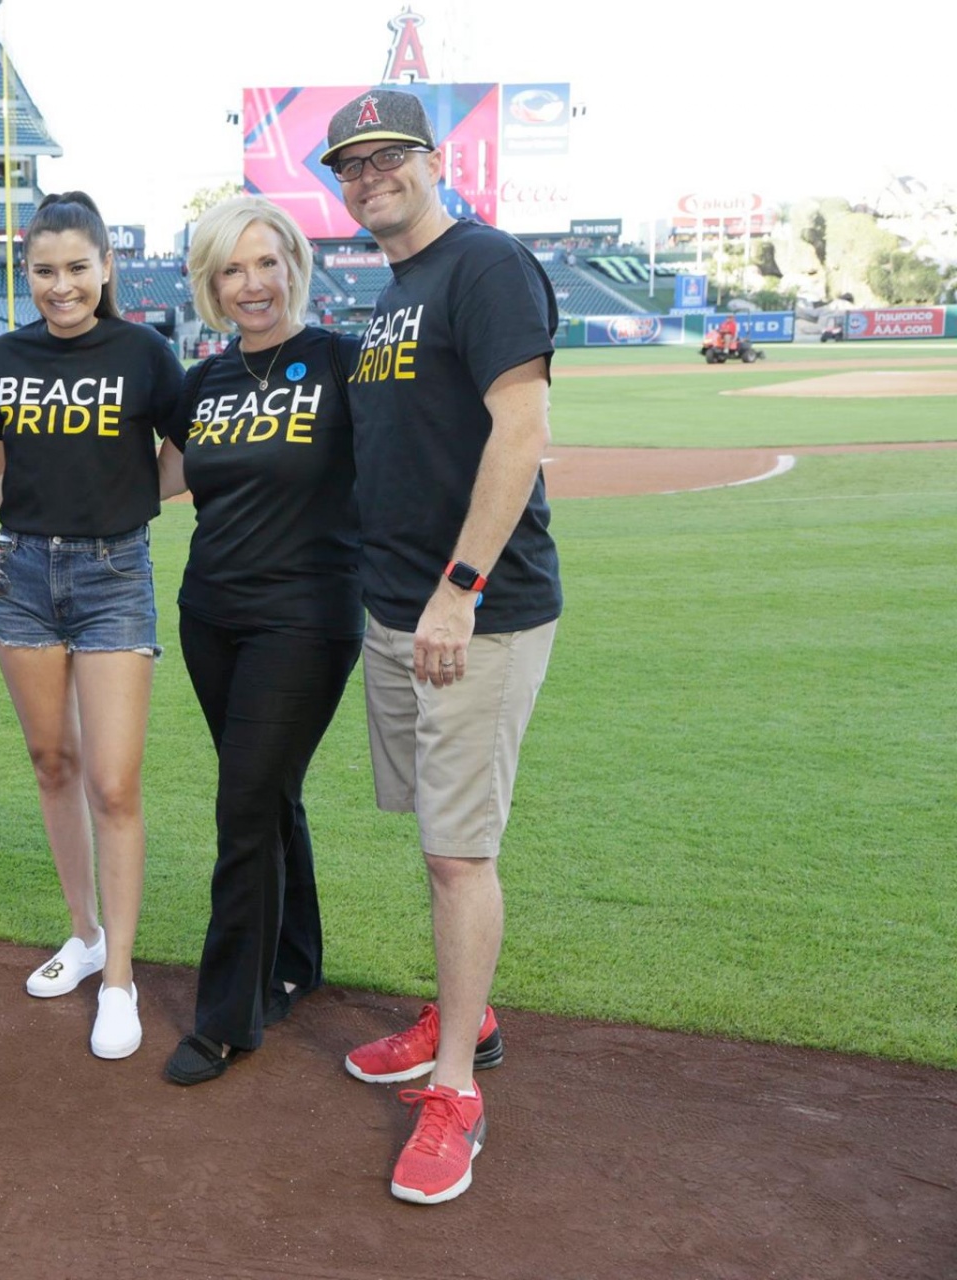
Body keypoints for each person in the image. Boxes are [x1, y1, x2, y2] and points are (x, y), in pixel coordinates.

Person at [324, 89, 562, 1205]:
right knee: (435, 839)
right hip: (395, 607)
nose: (368, 178)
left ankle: (457, 1088)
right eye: (350, 166)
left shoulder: (486, 265)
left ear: (432, 158)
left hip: (477, 609)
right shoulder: (392, 291)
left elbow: (522, 429)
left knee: (462, 849)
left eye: (386, 159)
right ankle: (468, 1013)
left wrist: (460, 588)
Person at [0, 193, 183, 1060]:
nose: (62, 287)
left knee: (114, 784)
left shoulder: (144, 352)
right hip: (19, 574)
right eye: (45, 272)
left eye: (77, 269)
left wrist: (127, 500)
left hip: (111, 573)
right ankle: (84, 933)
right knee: (52, 762)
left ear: (106, 268)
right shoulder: (6, 354)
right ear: (29, 273)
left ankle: (121, 978)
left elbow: (185, 452)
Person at [153, 196, 363, 1086]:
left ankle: (225, 1017)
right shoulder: (203, 383)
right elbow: (149, 480)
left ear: (295, 266)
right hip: (211, 614)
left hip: (306, 617)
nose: (252, 284)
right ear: (209, 285)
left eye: (266, 263)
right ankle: (294, 962)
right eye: (231, 269)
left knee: (243, 807)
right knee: (270, 797)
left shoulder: (342, 363)